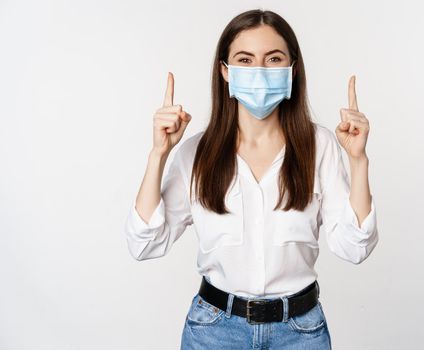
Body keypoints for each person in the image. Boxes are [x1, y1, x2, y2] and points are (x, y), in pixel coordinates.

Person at [124, 8, 379, 350]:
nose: (259, 71)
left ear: (292, 69)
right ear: (225, 72)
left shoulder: (320, 147)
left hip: (300, 332)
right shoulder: (197, 152)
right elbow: (144, 244)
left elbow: (354, 247)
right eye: (245, 60)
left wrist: (358, 159)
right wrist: (159, 154)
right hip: (214, 331)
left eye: (274, 59)